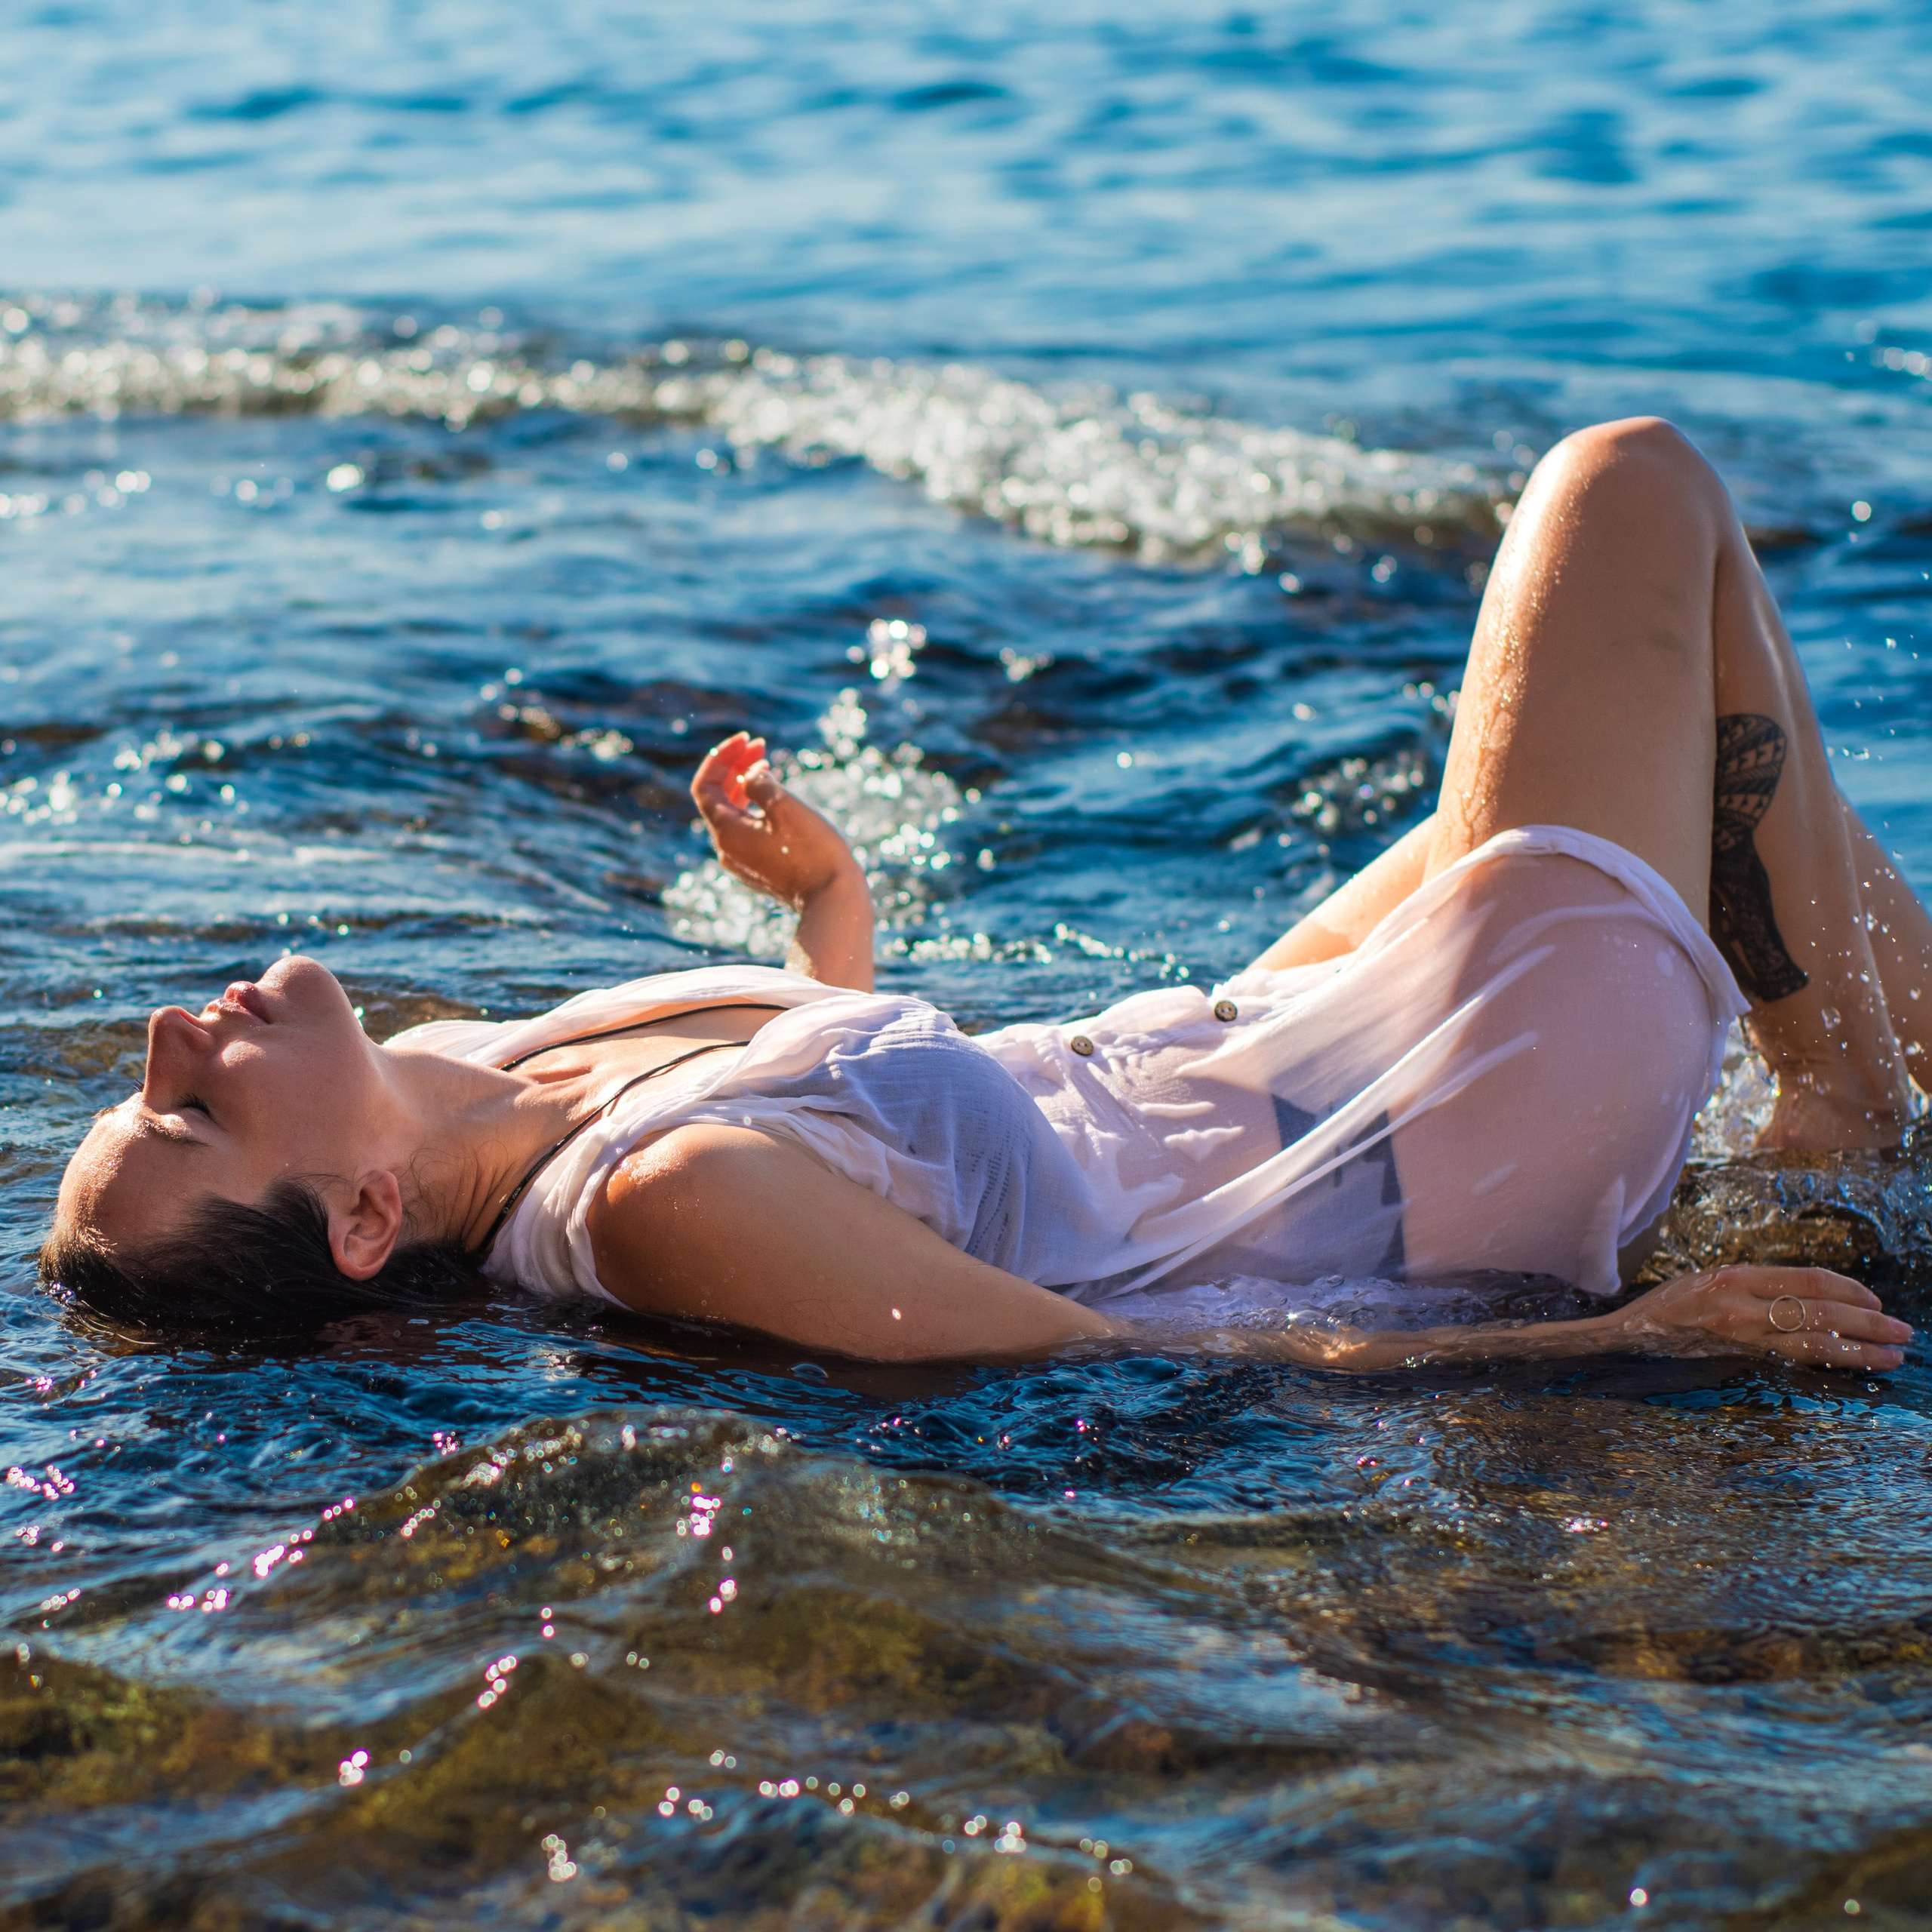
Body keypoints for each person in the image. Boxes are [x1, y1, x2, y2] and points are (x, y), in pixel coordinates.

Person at [41, 419, 1924, 1372]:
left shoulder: (459, 1065)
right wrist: (1607, 1346)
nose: (161, 1038)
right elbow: (1130, 1354)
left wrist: (826, 905)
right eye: (188, 1112)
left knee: (1710, 777)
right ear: (364, 1218)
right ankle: (1840, 1113)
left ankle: (1864, 1076)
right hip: (1408, 1168)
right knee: (1628, 487)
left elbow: (859, 1106)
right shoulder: (667, 1211)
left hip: (1232, 1044)